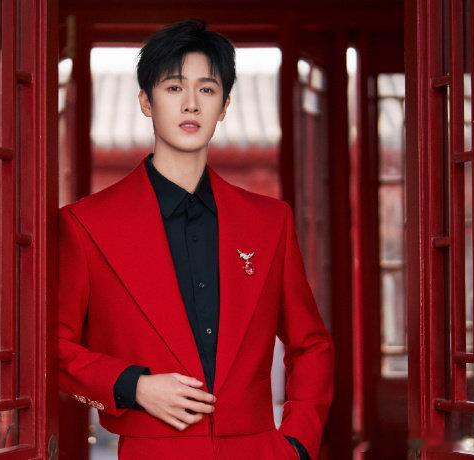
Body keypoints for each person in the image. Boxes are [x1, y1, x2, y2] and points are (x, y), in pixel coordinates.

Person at [58, 18, 334, 459]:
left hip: (259, 450)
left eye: (207, 89)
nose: (191, 104)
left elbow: (311, 344)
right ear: (146, 102)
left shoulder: (270, 221)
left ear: (224, 106)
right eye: (173, 88)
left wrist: (298, 443)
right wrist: (133, 386)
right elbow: (55, 349)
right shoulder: (86, 224)